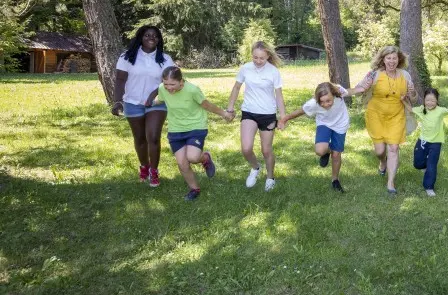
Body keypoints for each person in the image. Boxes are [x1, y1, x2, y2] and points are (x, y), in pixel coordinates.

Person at [145, 66, 233, 201]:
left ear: (181, 82)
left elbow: (206, 105)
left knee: (192, 157)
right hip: (175, 130)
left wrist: (224, 114)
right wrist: (151, 103)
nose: (169, 87)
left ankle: (205, 158)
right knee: (182, 163)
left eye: (172, 84)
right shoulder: (162, 89)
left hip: (195, 127)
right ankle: (194, 189)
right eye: (166, 83)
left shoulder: (192, 90)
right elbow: (161, 99)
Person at [346, 45, 417, 194]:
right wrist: (362, 88)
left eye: (394, 58)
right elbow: (359, 90)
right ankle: (382, 161)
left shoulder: (405, 75)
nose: (392, 61)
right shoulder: (374, 75)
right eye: (388, 58)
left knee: (394, 147)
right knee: (380, 150)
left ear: (399, 59)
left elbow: (414, 98)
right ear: (383, 60)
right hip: (375, 115)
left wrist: (412, 93)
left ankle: (390, 183)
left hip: (396, 115)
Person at [111, 25, 175, 187]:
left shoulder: (165, 59)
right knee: (140, 139)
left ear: (159, 40)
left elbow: (170, 81)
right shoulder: (127, 56)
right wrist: (117, 101)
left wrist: (156, 95)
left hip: (157, 103)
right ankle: (144, 167)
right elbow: (120, 80)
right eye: (147, 35)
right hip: (132, 102)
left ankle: (154, 171)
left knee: (153, 137)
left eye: (154, 36)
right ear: (140, 37)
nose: (151, 38)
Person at [226, 41, 286, 192]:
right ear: (251, 55)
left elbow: (279, 96)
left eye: (262, 58)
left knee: (266, 150)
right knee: (246, 149)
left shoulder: (273, 71)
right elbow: (236, 87)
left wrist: (283, 117)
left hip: (268, 114)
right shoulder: (245, 68)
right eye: (255, 57)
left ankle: (270, 177)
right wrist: (230, 108)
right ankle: (255, 168)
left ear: (268, 57)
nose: (258, 61)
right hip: (249, 112)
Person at [280, 82, 350, 192]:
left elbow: (353, 90)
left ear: (334, 94)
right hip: (324, 123)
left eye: (328, 101)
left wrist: (364, 88)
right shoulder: (313, 103)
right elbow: (300, 112)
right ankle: (327, 151)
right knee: (320, 151)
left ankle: (335, 180)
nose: (325, 104)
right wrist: (285, 119)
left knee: (336, 155)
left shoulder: (340, 92)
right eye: (322, 102)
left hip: (340, 124)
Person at [406, 88, 448, 196]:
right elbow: (410, 109)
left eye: (433, 101)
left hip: (436, 142)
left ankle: (429, 187)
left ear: (437, 101)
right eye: (427, 100)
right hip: (423, 141)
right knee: (417, 163)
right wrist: (402, 100)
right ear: (424, 100)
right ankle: (424, 167)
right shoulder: (421, 109)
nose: (430, 103)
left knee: (432, 165)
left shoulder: (440, 110)